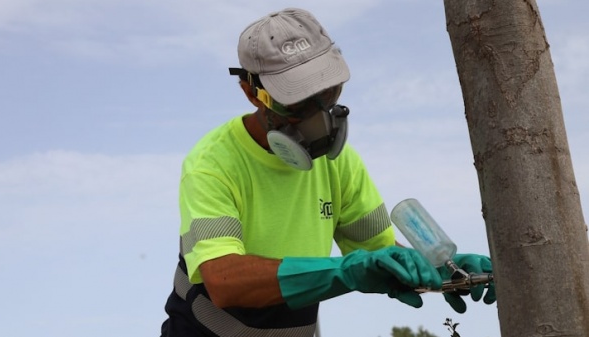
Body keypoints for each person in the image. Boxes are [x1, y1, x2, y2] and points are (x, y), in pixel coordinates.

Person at [160, 7, 496, 337]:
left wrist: (441, 269)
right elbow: (224, 281)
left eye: (327, 92)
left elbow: (380, 255)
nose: (319, 116)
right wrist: (345, 273)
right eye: (298, 102)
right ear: (252, 92)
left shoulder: (340, 163)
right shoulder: (212, 164)